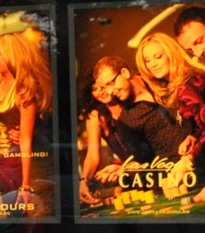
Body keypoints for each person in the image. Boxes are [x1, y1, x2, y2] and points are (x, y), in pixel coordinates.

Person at [135, 32, 205, 202]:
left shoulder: (185, 86)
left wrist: (188, 159)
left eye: (158, 56)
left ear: (171, 54)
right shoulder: (184, 81)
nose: (153, 64)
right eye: (147, 60)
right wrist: (193, 136)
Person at [79, 56, 190, 207]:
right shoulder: (98, 116)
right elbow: (92, 156)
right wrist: (84, 181)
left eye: (106, 86)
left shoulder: (134, 99)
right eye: (96, 89)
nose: (105, 92)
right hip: (140, 172)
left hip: (165, 165)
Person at [0, 29, 53, 214]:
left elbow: (25, 141)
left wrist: (26, 184)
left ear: (11, 56)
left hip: (13, 164)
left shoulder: (23, 93)